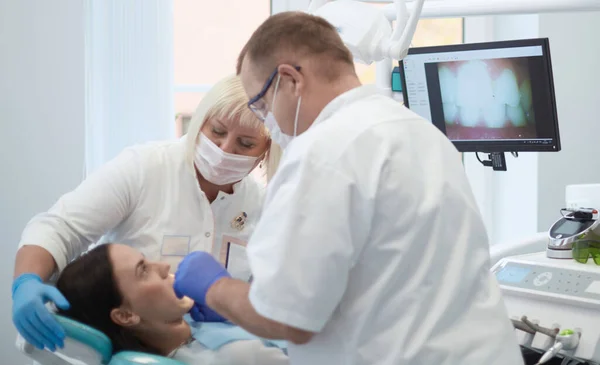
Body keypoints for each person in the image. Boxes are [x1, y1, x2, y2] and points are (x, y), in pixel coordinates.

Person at [173, 11, 525, 365]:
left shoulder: (323, 152)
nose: (268, 123)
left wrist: (212, 286)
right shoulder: (421, 132)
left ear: (291, 80)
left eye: (261, 106)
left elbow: (286, 317)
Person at [12, 75, 280, 353]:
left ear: (266, 152)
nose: (225, 150)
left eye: (246, 144)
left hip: (203, 348)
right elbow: (59, 228)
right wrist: (26, 282)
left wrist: (229, 306)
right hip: (135, 348)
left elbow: (273, 298)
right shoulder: (145, 168)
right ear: (200, 121)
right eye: (217, 131)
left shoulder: (264, 206)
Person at [55, 243, 289, 365]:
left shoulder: (198, 324)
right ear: (126, 316)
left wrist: (230, 310)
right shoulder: (237, 357)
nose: (164, 267)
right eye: (143, 270)